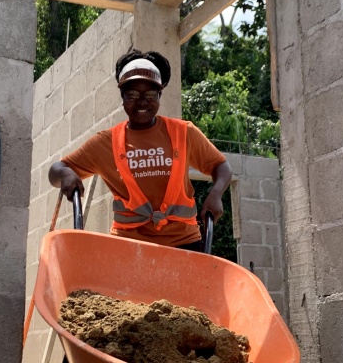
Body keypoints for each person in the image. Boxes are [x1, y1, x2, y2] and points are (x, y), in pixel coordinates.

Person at [48, 49, 233, 251]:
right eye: (132, 95)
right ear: (123, 97)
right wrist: (65, 173)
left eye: (150, 95)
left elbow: (221, 166)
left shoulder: (184, 133)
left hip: (184, 244)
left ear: (160, 95)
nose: (142, 101)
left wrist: (216, 194)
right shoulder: (105, 143)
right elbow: (56, 170)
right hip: (129, 247)